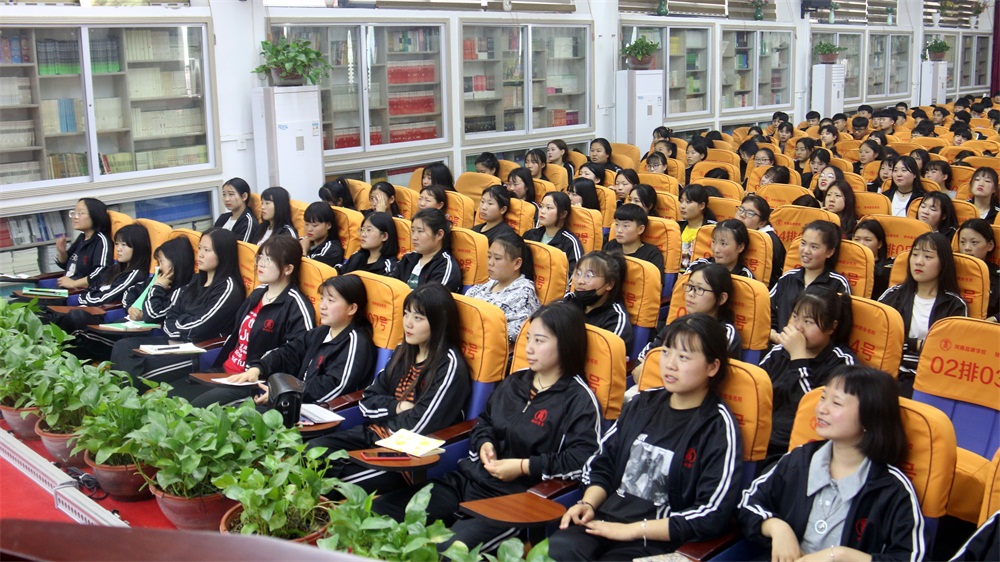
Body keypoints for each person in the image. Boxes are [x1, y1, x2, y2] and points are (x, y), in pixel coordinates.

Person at [371, 302, 601, 554]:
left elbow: (582, 460)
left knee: (448, 552)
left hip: (514, 498)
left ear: (565, 345)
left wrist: (523, 466)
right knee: (380, 512)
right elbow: (485, 422)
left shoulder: (579, 400)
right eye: (528, 339)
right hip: (470, 479)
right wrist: (485, 444)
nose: (529, 348)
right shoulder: (515, 381)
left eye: (540, 341)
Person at [548, 314, 742, 561]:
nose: (670, 364)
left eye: (683, 357)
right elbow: (602, 463)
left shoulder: (718, 427)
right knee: (554, 552)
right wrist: (588, 504)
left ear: (712, 367)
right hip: (603, 521)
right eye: (666, 353)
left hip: (657, 542)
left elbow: (711, 513)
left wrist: (631, 530)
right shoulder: (642, 403)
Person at [738, 366, 924, 561]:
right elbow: (748, 502)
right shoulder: (800, 459)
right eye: (823, 397)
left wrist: (842, 555)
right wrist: (776, 527)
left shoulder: (891, 488)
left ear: (869, 416)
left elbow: (912, 558)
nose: (821, 409)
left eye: (836, 403)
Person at [307, 283, 470, 494]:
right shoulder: (404, 350)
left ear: (439, 323)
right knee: (311, 452)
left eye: (418, 318)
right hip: (373, 434)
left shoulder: (448, 365)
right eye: (406, 314)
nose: (408, 323)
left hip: (404, 456)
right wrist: (396, 407)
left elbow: (419, 425)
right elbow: (367, 399)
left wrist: (385, 417)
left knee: (333, 483)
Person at [174, 236, 316, 406]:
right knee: (171, 396)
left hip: (253, 382)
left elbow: (296, 353)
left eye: (269, 259)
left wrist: (261, 370)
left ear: (288, 268)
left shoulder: (296, 305)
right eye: (260, 257)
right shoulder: (258, 293)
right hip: (225, 371)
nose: (261, 264)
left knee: (191, 408)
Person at [110, 228, 245, 385]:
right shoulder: (195, 280)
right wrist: (180, 325)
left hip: (197, 350)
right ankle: (124, 395)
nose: (200, 254)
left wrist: (178, 324)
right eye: (200, 248)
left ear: (223, 254)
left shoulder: (228, 288)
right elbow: (171, 315)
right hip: (175, 343)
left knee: (138, 368)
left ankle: (128, 396)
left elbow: (200, 328)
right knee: (123, 346)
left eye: (207, 250)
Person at [244, 274, 377, 405]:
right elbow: (290, 352)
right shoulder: (322, 331)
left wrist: (286, 394)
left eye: (331, 300)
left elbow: (334, 386)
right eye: (322, 299)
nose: (322, 306)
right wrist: (259, 368)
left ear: (352, 308)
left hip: (320, 411)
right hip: (296, 401)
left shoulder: (357, 343)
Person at [760, 286, 856, 460]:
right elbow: (756, 388)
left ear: (831, 327)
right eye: (795, 317)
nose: (798, 327)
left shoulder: (843, 364)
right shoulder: (781, 351)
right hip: (760, 435)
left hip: (796, 450)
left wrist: (798, 358)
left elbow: (815, 413)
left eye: (809, 322)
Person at [878, 232, 967, 396]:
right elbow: (880, 338)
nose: (918, 261)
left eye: (928, 257)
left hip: (930, 377)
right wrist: (917, 344)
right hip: (889, 372)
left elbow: (947, 351)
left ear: (943, 263)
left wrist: (906, 344)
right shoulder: (893, 294)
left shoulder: (954, 305)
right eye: (915, 255)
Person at [58, 224, 151, 356]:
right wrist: (87, 297)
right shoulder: (114, 269)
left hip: (105, 318)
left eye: (124, 245)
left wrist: (85, 298)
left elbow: (104, 298)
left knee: (76, 318)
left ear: (138, 248)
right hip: (91, 311)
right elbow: (92, 287)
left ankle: (59, 355)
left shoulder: (136, 274)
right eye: (117, 244)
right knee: (55, 315)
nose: (118, 249)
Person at [634, 264, 742, 376]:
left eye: (699, 289)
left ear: (721, 298)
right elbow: (640, 365)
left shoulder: (725, 334)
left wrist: (652, 370)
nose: (690, 294)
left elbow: (710, 377)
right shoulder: (678, 325)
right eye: (690, 286)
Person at [770, 221, 851, 343]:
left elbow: (841, 326)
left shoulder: (838, 283)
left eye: (814, 247)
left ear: (829, 252)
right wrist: (774, 335)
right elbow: (768, 311)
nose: (806, 251)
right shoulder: (788, 278)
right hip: (780, 345)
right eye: (803, 243)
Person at [464, 234, 541, 345]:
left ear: (517, 263)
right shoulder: (490, 283)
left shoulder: (524, 293)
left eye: (497, 258)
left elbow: (510, 335)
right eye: (489, 256)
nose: (490, 263)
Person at [563, 251, 633, 358]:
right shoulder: (570, 300)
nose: (580, 281)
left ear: (609, 284)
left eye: (589, 276)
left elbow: (604, 358)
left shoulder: (615, 319)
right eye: (578, 273)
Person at [391, 208, 462, 292]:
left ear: (439, 235)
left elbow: (430, 298)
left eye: (420, 231)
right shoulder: (408, 258)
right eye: (413, 231)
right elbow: (390, 286)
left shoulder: (445, 267)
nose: (414, 237)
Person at [54, 197, 112, 290]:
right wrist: (62, 252)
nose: (74, 217)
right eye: (74, 212)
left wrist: (74, 283)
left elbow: (102, 272)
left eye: (80, 213)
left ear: (95, 216)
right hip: (66, 289)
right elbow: (67, 266)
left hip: (82, 292)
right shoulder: (82, 237)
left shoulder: (101, 241)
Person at [523, 192, 584, 275]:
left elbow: (574, 275)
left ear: (563, 214)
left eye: (549, 208)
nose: (542, 211)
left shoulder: (570, 242)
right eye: (541, 206)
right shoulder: (530, 234)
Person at [737, 194, 785, 287]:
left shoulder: (769, 241)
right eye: (741, 209)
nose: (742, 215)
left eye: (750, 213)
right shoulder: (733, 232)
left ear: (761, 223)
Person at [957, 219, 999, 322]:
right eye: (962, 242)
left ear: (990, 245)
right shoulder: (947, 270)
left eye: (974, 242)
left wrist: (994, 319)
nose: (967, 248)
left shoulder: (997, 276)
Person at [604, 204, 664, 273]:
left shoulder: (652, 254)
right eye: (617, 224)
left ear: (640, 229)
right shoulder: (611, 245)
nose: (619, 230)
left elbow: (655, 279)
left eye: (625, 226)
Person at [337, 212, 399, 276]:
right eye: (362, 229)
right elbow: (339, 273)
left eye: (369, 230)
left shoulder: (389, 267)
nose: (363, 234)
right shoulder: (357, 256)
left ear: (384, 236)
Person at [689, 219, 754, 278]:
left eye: (723, 244)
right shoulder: (699, 265)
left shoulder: (745, 277)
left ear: (740, 247)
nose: (716, 250)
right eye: (714, 241)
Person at [678, 184, 717, 271]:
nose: (682, 206)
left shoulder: (713, 229)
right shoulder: (677, 227)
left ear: (701, 206)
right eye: (681, 201)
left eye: (688, 202)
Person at [852, 219, 893, 300]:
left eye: (867, 240)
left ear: (879, 244)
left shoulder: (885, 271)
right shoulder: (843, 264)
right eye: (857, 239)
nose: (861, 244)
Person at [300, 202, 344, 268]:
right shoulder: (304, 241)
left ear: (328, 225)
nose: (309, 229)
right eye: (306, 224)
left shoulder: (333, 250)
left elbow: (310, 270)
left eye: (315, 225)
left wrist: (303, 250)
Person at [214, 177, 258, 242]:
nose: (226, 199)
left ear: (244, 196)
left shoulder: (248, 222)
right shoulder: (223, 218)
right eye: (224, 194)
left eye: (231, 194)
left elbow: (243, 247)